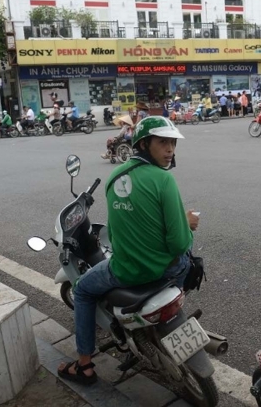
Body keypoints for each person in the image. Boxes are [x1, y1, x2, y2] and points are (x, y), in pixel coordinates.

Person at [58, 116, 199, 385]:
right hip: (168, 271)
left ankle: (84, 364)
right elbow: (179, 243)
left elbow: (120, 226)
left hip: (125, 271)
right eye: (163, 143)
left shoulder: (115, 176)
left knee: (83, 289)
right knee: (186, 252)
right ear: (144, 144)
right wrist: (187, 225)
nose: (170, 149)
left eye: (172, 143)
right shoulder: (163, 180)